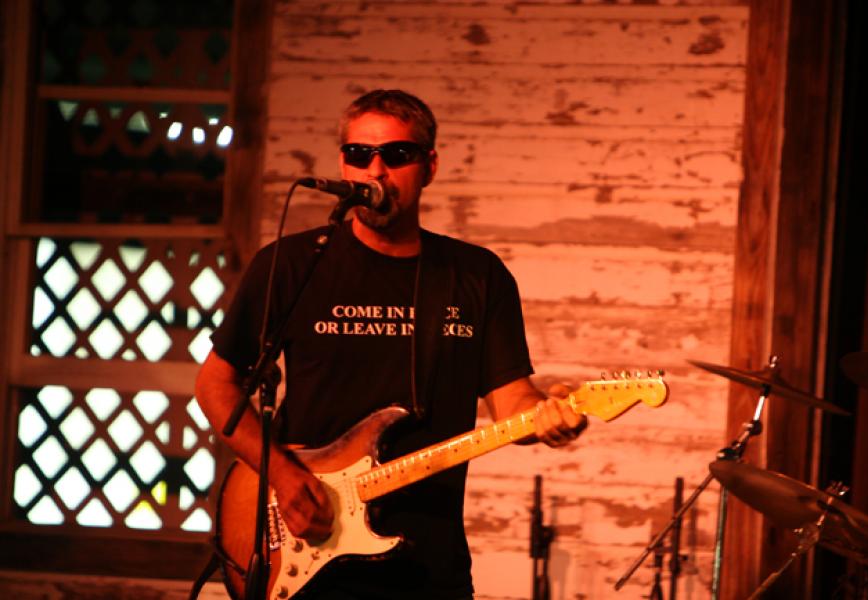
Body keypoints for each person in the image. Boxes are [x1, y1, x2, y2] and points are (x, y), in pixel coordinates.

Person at [195, 89, 587, 599]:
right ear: (343, 164)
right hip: (307, 556)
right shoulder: (292, 264)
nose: (375, 171)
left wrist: (547, 416)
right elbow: (215, 385)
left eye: (397, 155)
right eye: (360, 154)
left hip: (428, 569)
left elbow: (512, 399)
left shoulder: (476, 276)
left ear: (429, 166)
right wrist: (285, 478)